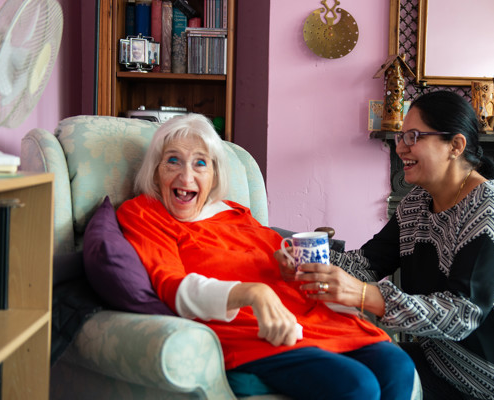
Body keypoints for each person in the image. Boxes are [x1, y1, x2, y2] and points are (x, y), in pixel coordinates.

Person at [277, 91, 494, 400]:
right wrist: (307, 261)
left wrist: (364, 296)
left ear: (455, 145)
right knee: (350, 366)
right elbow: (366, 263)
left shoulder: (491, 208)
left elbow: (463, 314)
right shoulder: (418, 204)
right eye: (400, 137)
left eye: (413, 137)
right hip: (450, 362)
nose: (400, 148)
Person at [115, 113, 416, 400]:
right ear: (155, 170)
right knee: (358, 386)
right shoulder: (145, 213)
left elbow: (279, 253)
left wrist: (288, 266)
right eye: (172, 161)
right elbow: (171, 286)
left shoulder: (234, 213)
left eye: (200, 163)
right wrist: (253, 293)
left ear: (214, 174)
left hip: (309, 317)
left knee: (397, 366)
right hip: (253, 330)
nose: (186, 175)